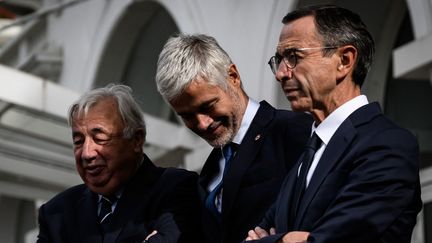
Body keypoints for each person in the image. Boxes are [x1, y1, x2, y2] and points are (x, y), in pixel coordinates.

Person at [245, 4, 422, 243]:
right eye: (279, 60)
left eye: (294, 57)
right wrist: (288, 239)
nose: (281, 74)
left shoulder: (387, 145)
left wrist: (277, 239)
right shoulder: (308, 153)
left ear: (344, 60)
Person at [155, 34, 312, 243]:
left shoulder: (295, 131)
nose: (202, 123)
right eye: (187, 116)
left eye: (208, 106)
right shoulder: (210, 168)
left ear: (233, 76)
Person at [36, 84, 200, 243]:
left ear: (136, 140)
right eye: (78, 141)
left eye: (100, 139)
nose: (87, 153)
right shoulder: (56, 213)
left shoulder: (177, 188)